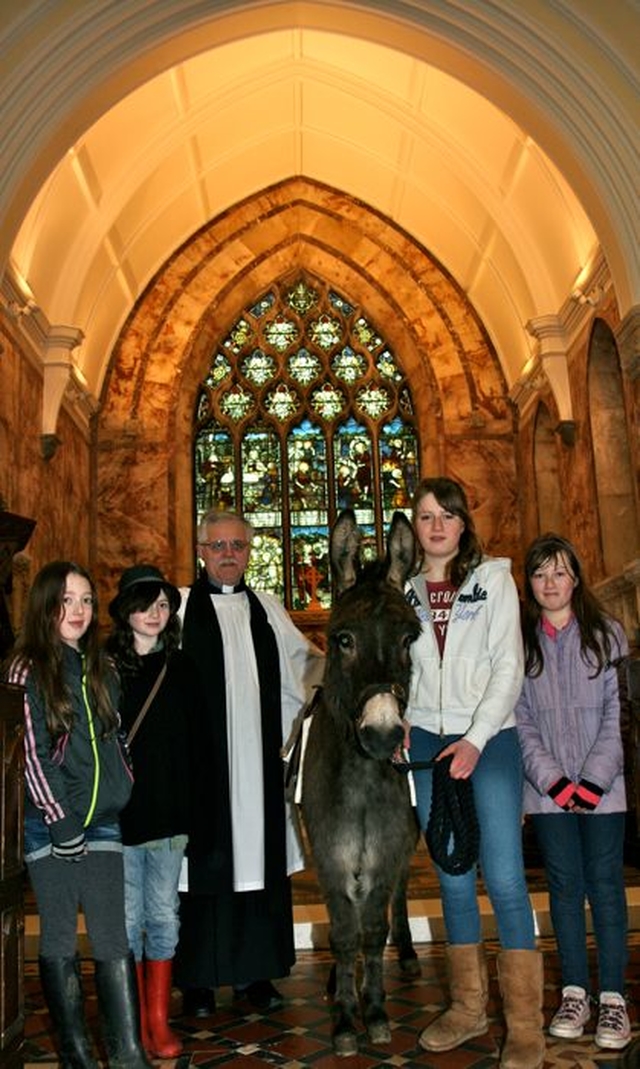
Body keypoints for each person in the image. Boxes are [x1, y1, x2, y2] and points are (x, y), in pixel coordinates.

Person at [405, 477, 545, 1069]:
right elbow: (398, 667)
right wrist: (403, 724)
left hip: (489, 739)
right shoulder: (405, 589)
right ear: (415, 527)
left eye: (447, 515)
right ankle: (467, 1009)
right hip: (428, 743)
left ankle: (524, 1025)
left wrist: (475, 739)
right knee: (453, 878)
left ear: (464, 523)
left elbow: (508, 667)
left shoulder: (492, 579)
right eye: (426, 516)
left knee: (507, 879)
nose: (437, 526)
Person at [174, 508, 324, 1015]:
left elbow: (305, 673)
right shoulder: (176, 609)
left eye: (237, 546)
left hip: (259, 768)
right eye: (217, 546)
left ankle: (254, 976)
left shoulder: (269, 608)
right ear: (201, 551)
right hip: (198, 774)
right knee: (196, 872)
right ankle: (195, 981)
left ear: (249, 551)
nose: (228, 555)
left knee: (260, 867)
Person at [5, 561, 150, 1069]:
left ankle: (127, 1053)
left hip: (104, 819)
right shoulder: (25, 669)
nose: (79, 610)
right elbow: (31, 754)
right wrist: (60, 819)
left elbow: (114, 737)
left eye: (86, 599)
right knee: (62, 935)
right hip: (51, 824)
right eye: (67, 600)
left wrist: (123, 781)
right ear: (45, 604)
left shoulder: (99, 665)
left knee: (112, 935)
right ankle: (77, 1056)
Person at [515, 533, 631, 1051]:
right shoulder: (520, 642)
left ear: (576, 577)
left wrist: (593, 781)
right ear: (530, 583)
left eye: (559, 572)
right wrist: (555, 782)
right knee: (564, 887)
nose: (550, 583)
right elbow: (518, 719)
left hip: (604, 791)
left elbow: (617, 713)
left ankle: (612, 999)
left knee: (605, 885)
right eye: (540, 574)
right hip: (547, 793)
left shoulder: (606, 634)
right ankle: (574, 992)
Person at [106, 564, 205, 1058]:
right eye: (146, 604)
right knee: (126, 919)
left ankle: (157, 1021)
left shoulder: (183, 667)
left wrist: (199, 811)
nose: (155, 614)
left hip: (168, 816)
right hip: (119, 816)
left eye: (164, 605)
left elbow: (199, 745)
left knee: (163, 915)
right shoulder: (104, 667)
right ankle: (128, 1023)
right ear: (127, 610)